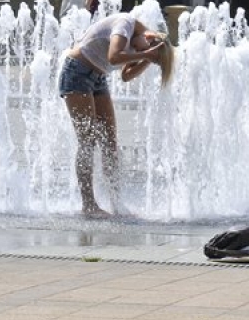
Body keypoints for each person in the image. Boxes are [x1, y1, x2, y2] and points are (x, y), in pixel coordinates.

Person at [58, 13, 174, 218]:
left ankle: (117, 204)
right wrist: (146, 54)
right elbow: (113, 57)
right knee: (87, 140)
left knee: (110, 141)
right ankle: (89, 204)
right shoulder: (125, 24)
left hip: (98, 77)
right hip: (76, 73)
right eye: (141, 49)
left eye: (142, 52)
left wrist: (147, 59)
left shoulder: (140, 42)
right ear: (147, 36)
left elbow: (126, 75)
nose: (138, 51)